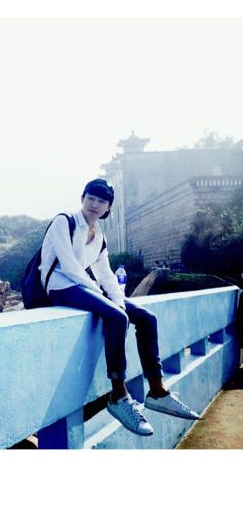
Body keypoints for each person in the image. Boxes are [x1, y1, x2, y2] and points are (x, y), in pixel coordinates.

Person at [39, 178, 200, 436]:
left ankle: (157, 391)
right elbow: (69, 267)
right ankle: (118, 395)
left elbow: (105, 274)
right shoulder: (64, 222)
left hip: (85, 287)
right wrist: (110, 304)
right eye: (91, 198)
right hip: (60, 286)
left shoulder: (99, 236)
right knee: (117, 318)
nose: (95, 204)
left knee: (146, 318)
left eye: (101, 201)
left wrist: (116, 300)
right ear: (82, 199)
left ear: (108, 207)